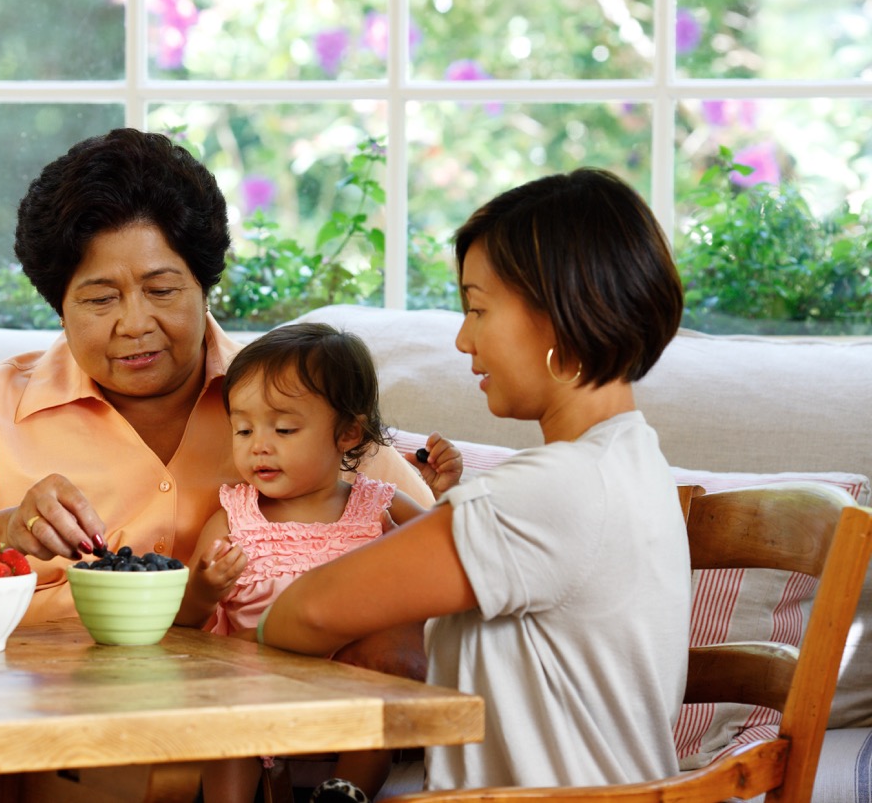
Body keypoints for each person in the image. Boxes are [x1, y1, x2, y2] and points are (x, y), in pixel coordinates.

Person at [0, 127, 439, 635]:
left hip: (249, 714)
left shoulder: (295, 400)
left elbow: (445, 548)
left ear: (205, 286)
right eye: (101, 298)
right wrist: (4, 533)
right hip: (40, 716)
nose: (135, 325)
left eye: (161, 291)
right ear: (58, 306)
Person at [253, 168, 691, 791]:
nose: (463, 339)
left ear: (559, 315)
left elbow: (303, 612)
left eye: (477, 309)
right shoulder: (632, 457)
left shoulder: (553, 490)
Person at [175, 322, 461, 803]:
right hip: (254, 684)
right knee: (226, 719)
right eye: (243, 429)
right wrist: (205, 589)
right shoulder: (234, 517)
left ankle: (346, 791)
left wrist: (444, 496)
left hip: (352, 680)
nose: (258, 445)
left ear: (348, 432)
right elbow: (187, 618)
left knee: (377, 689)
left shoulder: (379, 507)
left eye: (284, 429)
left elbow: (444, 553)